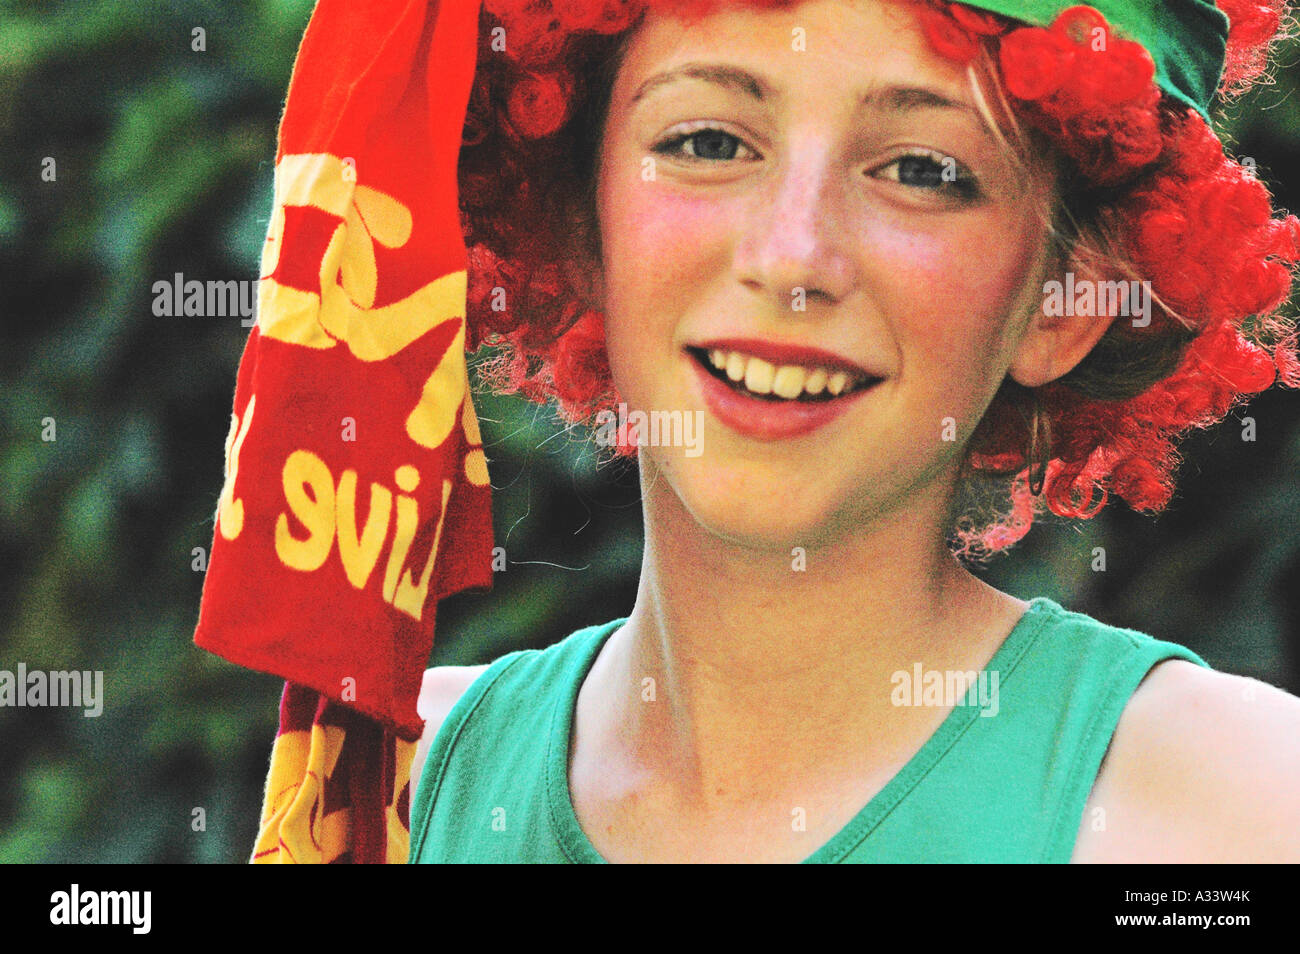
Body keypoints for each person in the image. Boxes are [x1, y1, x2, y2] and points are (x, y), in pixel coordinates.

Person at [407, 0, 1300, 862]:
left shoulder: (1241, 811)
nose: (793, 257)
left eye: (923, 171)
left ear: (1064, 299)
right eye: (706, 143)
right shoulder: (394, 791)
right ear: (581, 217)